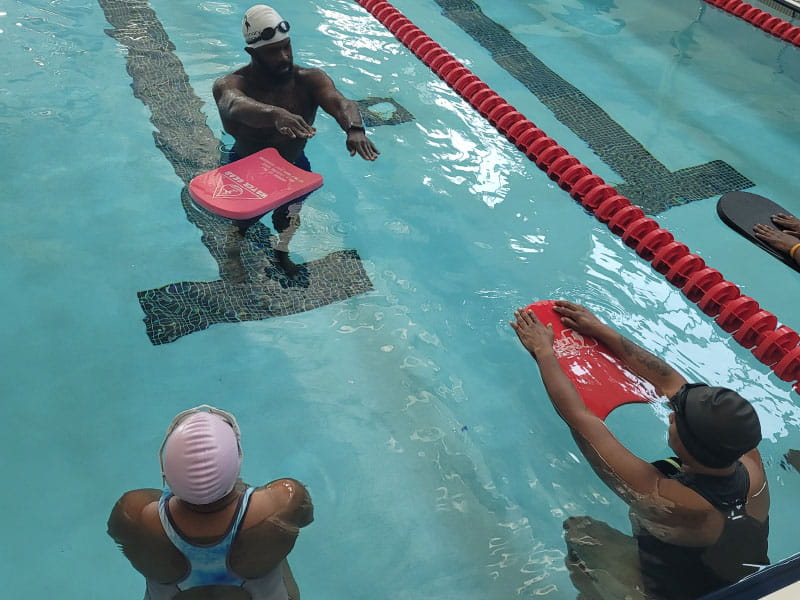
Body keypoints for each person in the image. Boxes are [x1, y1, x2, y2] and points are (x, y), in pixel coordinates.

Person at [510, 301, 770, 600]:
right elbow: (670, 381)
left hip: (674, 594)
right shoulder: (749, 457)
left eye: (677, 419)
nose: (671, 415)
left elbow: (580, 419)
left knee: (580, 531)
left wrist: (544, 352)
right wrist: (602, 331)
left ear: (686, 443)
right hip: (747, 581)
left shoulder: (668, 498)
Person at [213, 4, 380, 280]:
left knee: (287, 218)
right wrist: (274, 114)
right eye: (273, 51)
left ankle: (282, 251)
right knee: (242, 221)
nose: (284, 57)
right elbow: (233, 105)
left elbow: (341, 102)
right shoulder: (232, 85)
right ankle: (232, 254)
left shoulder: (309, 80)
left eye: (287, 47)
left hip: (293, 167)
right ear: (252, 53)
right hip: (247, 168)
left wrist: (355, 128)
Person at [107, 405, 313, 600]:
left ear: (166, 468)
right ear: (237, 459)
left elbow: (119, 529)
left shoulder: (133, 516)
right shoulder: (283, 501)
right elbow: (306, 516)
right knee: (272, 537)